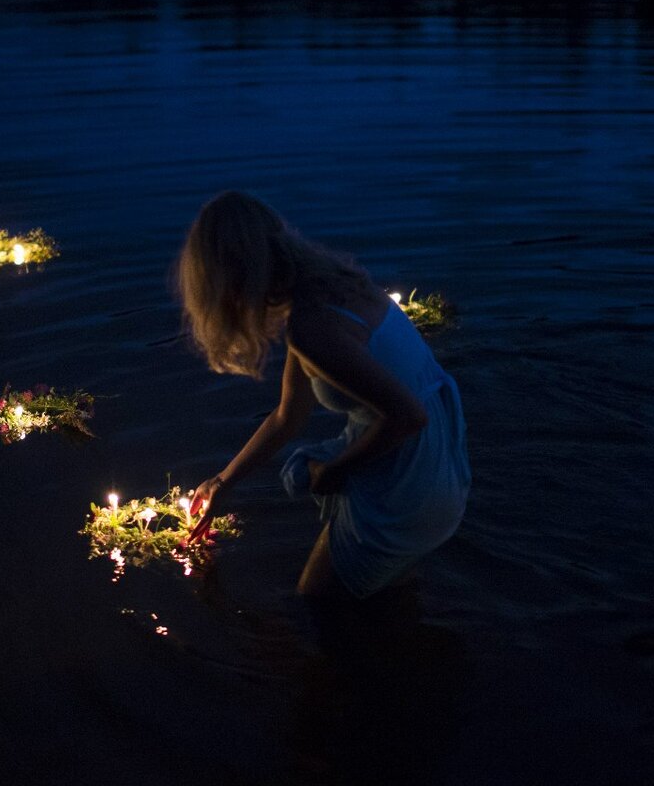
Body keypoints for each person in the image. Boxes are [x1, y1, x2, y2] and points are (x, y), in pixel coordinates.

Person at [178, 191, 470, 599]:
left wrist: (336, 470)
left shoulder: (313, 326)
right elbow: (287, 417)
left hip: (407, 480)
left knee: (317, 604)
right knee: (388, 601)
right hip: (435, 466)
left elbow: (407, 416)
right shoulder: (334, 285)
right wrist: (222, 484)